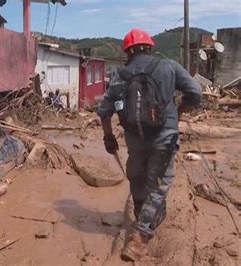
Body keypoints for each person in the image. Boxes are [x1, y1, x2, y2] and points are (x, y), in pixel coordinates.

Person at [97, 28, 201, 261]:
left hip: (135, 139)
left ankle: (141, 214)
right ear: (151, 47)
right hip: (164, 137)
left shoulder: (120, 74)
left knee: (137, 177)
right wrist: (179, 108)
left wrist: (108, 137)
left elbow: (104, 112)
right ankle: (140, 238)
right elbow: (196, 93)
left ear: (127, 52)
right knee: (159, 184)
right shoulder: (169, 66)